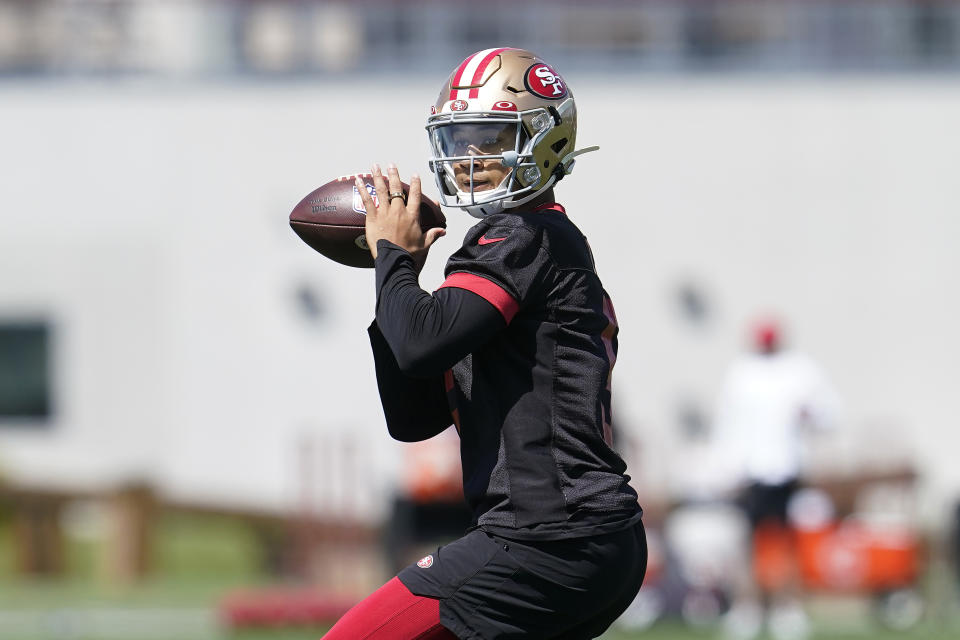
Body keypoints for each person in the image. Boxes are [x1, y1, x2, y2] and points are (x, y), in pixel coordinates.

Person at [322, 48, 646, 640]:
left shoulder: (523, 234)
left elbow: (419, 345)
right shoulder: (521, 244)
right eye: (460, 137)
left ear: (544, 139)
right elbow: (413, 418)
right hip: (578, 538)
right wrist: (392, 280)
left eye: (491, 136)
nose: (471, 156)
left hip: (549, 537)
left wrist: (393, 261)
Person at [714, 317, 842, 640]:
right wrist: (729, 465)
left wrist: (811, 414)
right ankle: (748, 607)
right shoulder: (741, 373)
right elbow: (728, 422)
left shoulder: (800, 370)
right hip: (750, 470)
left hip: (788, 467)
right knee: (748, 542)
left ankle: (788, 608)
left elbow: (828, 410)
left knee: (787, 541)